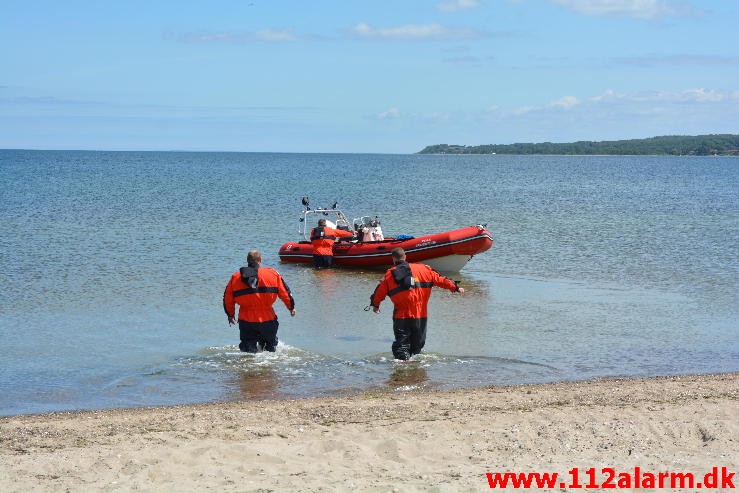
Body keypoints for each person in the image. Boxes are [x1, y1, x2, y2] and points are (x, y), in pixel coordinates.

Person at [369, 247, 464, 360]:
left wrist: (375, 305)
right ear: (406, 257)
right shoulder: (425, 269)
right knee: (417, 347)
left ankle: (403, 369)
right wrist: (456, 287)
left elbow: (379, 291)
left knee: (401, 346)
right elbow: (441, 280)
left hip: (402, 317)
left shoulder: (390, 274)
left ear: (393, 259)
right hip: (421, 316)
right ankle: (415, 373)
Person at [223, 250, 296, 352]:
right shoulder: (273, 274)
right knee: (270, 350)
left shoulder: (235, 278)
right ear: (260, 260)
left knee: (248, 351)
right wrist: (291, 307)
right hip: (268, 319)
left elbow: (227, 299)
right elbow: (285, 293)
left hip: (246, 321)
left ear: (247, 261)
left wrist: (230, 315)